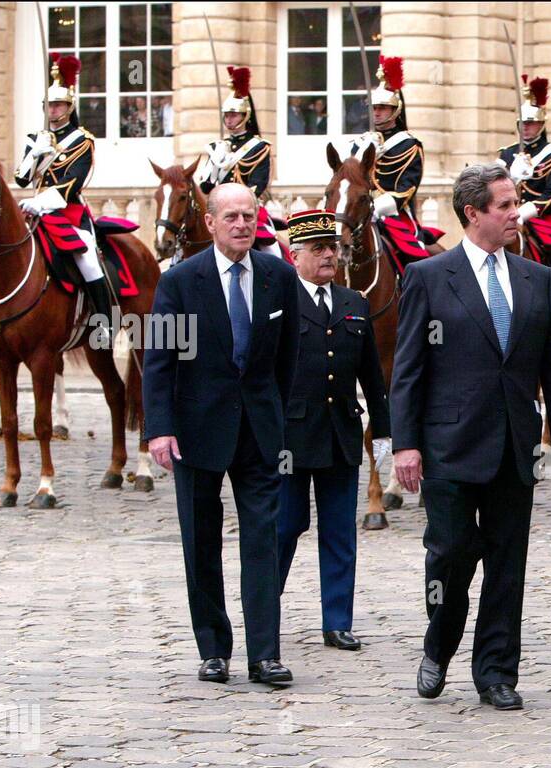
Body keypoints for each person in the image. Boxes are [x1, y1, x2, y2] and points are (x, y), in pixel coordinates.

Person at [391, 163, 551, 711]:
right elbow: (407, 370)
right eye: (504, 205)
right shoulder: (428, 276)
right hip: (449, 445)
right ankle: (438, 644)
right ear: (473, 214)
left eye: (514, 202)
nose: (515, 213)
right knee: (450, 555)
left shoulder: (536, 278)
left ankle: (496, 671)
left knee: (507, 562)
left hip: (514, 446)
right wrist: (404, 444)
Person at [142, 183, 300, 686]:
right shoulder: (181, 282)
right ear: (209, 223)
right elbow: (159, 361)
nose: (241, 224)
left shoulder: (279, 276)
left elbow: (288, 359)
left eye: (249, 215)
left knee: (263, 540)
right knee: (201, 541)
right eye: (230, 216)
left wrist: (276, 416)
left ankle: (264, 654)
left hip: (258, 430)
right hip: (196, 430)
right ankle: (213, 648)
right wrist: (159, 429)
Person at [276, 209, 391, 652]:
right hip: (291, 436)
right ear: (295, 255)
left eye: (333, 248)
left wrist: (382, 429)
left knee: (340, 532)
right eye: (318, 249)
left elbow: (372, 377)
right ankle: (268, 608)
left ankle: (337, 620)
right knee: (286, 526)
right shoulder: (279, 302)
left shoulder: (353, 303)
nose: (328, 255)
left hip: (341, 432)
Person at [12, 53, 117, 345]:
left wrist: (42, 201)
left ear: (69, 107)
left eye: (58, 105)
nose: (53, 110)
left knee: (86, 257)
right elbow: (21, 179)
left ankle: (104, 322)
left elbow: (73, 184)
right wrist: (35, 154)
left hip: (68, 212)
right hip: (34, 211)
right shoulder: (37, 138)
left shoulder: (82, 140)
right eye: (49, 105)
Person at [499, 73, 551, 336]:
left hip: (543, 217)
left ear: (542, 124)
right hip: (507, 214)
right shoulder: (507, 153)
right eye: (522, 123)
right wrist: (512, 175)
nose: (526, 128)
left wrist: (524, 211)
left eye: (532, 123)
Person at [348, 56, 444, 270]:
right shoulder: (360, 142)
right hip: (358, 210)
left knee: (416, 255)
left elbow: (406, 189)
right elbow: (349, 177)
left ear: (396, 109)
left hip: (392, 212)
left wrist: (375, 208)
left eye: (383, 107)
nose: (377, 112)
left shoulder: (409, 145)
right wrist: (365, 150)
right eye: (374, 107)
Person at [197, 65, 281, 258]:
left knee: (272, 248)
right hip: (219, 210)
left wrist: (236, 204)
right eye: (226, 115)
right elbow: (206, 185)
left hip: (249, 209)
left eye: (233, 115)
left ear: (245, 116)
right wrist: (213, 171)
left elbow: (258, 185)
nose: (229, 120)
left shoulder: (259, 147)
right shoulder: (218, 147)